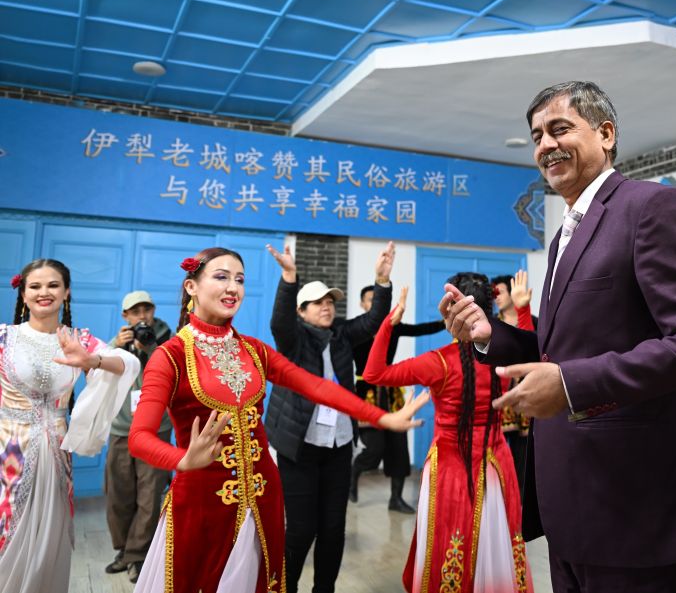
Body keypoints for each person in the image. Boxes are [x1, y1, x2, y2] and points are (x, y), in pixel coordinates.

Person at [441, 81, 676, 592]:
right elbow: (562, 351)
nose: (546, 145)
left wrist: (572, 385)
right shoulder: (564, 235)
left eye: (560, 129)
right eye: (537, 136)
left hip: (634, 505)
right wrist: (491, 335)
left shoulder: (651, 207)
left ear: (606, 134)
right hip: (570, 503)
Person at [128, 247, 427, 593]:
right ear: (191, 286)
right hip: (202, 498)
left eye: (240, 280)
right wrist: (182, 459)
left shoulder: (254, 350)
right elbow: (139, 437)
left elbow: (316, 386)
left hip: (263, 494)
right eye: (221, 277)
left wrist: (381, 418)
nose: (233, 288)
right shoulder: (171, 356)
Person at [364, 272, 533, 593]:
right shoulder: (504, 354)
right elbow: (532, 355)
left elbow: (374, 373)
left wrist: (388, 326)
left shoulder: (437, 362)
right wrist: (522, 310)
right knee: (495, 544)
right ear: (487, 309)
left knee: (449, 542)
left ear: (451, 312)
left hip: (450, 468)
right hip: (497, 463)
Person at [263, 241, 405, 592]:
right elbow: (280, 322)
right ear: (301, 311)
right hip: (300, 447)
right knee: (300, 530)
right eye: (318, 302)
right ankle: (285, 587)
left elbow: (373, 321)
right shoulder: (292, 340)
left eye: (330, 301)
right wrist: (289, 278)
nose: (327, 306)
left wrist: (381, 281)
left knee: (332, 530)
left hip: (338, 445)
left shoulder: (340, 333)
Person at [0, 259, 140, 593]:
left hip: (56, 455)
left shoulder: (80, 339)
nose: (44, 292)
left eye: (53, 285)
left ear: (66, 292)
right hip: (8, 452)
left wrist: (92, 361)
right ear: (23, 293)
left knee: (50, 542)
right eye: (35, 286)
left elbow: (129, 363)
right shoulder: (4, 338)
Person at [350, 285, 445, 512]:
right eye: (370, 299)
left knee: (399, 448)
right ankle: (352, 476)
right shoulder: (355, 329)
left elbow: (421, 329)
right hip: (366, 392)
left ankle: (396, 499)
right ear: (362, 304)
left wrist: (447, 321)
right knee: (374, 450)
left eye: (378, 299)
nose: (375, 303)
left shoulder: (394, 326)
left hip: (391, 392)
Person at [104, 290, 173, 584]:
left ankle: (138, 555)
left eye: (146, 309)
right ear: (125, 316)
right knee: (118, 494)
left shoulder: (168, 338)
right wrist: (114, 346)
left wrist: (151, 347)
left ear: (153, 310)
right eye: (135, 311)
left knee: (149, 495)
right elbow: (96, 370)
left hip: (156, 429)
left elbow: (174, 370)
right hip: (122, 427)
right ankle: (124, 549)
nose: (142, 316)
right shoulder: (118, 342)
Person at [492, 271, 534, 492]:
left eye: (500, 292)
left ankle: (522, 498)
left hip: (526, 392)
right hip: (498, 393)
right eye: (494, 294)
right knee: (496, 449)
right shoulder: (491, 325)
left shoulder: (532, 321)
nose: (497, 297)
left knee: (523, 450)